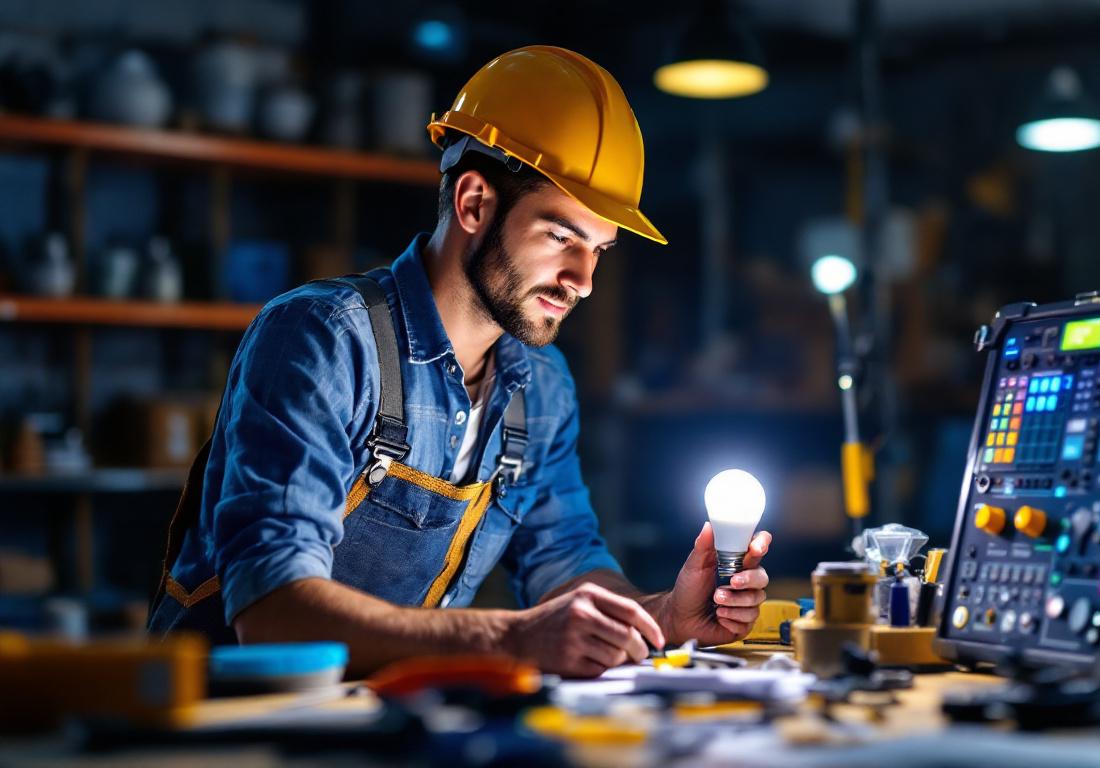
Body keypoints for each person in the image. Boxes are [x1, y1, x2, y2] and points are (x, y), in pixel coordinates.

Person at [147, 46, 771, 678]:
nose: (582, 280)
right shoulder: (324, 340)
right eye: (560, 237)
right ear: (474, 204)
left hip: (378, 719)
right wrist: (512, 639)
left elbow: (563, 560)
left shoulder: (539, 386)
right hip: (224, 722)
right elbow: (274, 612)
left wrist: (663, 616)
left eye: (598, 250)